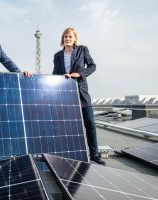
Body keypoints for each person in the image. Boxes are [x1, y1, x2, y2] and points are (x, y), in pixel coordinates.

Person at [52, 27, 106, 165]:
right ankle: (70, 152)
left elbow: (92, 66)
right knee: (68, 126)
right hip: (65, 95)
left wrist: (80, 74)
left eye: (70, 36)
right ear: (62, 39)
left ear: (75, 38)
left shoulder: (82, 50)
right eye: (65, 37)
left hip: (81, 93)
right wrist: (61, 77)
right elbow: (55, 74)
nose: (68, 39)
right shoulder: (57, 56)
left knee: (90, 125)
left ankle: (94, 155)